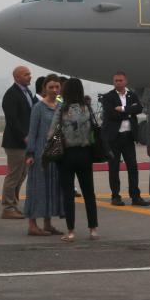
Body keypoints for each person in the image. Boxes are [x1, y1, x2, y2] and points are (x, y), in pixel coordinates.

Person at [55, 78, 100, 242]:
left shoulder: (62, 109)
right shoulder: (87, 108)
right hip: (85, 153)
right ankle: (93, 229)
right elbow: (94, 128)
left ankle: (71, 231)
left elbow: (52, 131)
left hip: (66, 155)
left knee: (68, 194)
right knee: (89, 193)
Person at [23, 75, 64, 235]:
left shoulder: (61, 105)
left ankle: (48, 223)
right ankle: (32, 224)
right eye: (51, 87)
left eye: (57, 87)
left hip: (56, 153)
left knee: (51, 188)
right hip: (40, 152)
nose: (54, 90)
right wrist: (30, 153)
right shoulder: (38, 107)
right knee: (37, 188)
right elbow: (32, 132)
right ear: (44, 88)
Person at [100, 71, 147, 206]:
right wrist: (129, 111)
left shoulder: (132, 95)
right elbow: (111, 114)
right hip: (114, 138)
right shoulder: (108, 97)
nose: (118, 83)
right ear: (113, 82)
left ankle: (135, 196)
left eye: (121, 80)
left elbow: (139, 109)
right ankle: (115, 196)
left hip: (128, 137)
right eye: (116, 80)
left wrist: (122, 109)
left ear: (125, 81)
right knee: (114, 168)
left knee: (133, 167)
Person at [0, 65, 36, 219]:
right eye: (26, 74)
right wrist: (23, 136)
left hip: (26, 141)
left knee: (21, 175)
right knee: (13, 176)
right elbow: (12, 120)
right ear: (17, 77)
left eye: (29, 74)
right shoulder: (11, 94)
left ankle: (13, 204)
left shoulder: (28, 92)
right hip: (15, 142)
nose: (30, 76)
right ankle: (7, 207)